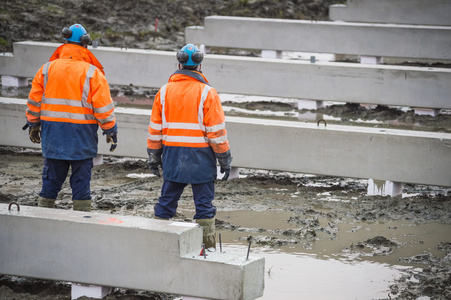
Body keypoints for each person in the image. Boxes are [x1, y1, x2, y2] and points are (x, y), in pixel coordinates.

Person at [147, 44, 232, 249]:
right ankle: (208, 249)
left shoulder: (164, 91)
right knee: (204, 206)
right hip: (201, 158)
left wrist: (153, 154)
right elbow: (216, 132)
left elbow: (155, 128)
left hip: (172, 156)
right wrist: (224, 158)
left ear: (179, 63)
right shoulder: (208, 93)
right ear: (199, 65)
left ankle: (159, 246)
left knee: (166, 202)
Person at [26, 23, 118, 212]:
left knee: (50, 182)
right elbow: (103, 107)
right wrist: (110, 130)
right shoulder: (92, 73)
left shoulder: (46, 69)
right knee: (81, 185)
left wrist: (33, 124)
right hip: (81, 138)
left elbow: (34, 101)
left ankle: (42, 220)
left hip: (54, 136)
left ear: (65, 41)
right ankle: (82, 221)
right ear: (85, 43)